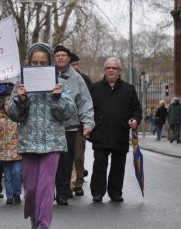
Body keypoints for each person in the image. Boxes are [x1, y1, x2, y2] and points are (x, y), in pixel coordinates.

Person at [8, 42, 75, 229]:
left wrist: (57, 97)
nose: (38, 66)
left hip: (52, 142)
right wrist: (21, 100)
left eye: (43, 63)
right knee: (31, 189)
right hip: (29, 142)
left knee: (46, 186)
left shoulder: (60, 83)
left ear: (50, 63)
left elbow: (68, 113)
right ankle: (34, 217)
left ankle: (43, 226)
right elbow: (12, 114)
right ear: (29, 63)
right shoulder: (20, 84)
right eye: (34, 63)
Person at [88, 57, 142, 203]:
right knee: (99, 165)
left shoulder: (129, 89)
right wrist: (87, 127)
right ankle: (97, 193)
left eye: (114, 68)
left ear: (120, 71)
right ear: (104, 70)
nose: (111, 70)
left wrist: (135, 119)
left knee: (118, 167)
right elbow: (87, 110)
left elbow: (136, 109)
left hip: (120, 133)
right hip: (100, 133)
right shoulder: (94, 88)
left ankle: (115, 192)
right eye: (108, 68)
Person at [53, 46, 94, 205]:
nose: (60, 58)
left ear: (69, 59)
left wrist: (88, 123)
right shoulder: (46, 75)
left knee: (65, 161)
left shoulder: (77, 78)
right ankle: (49, 192)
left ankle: (63, 192)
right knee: (50, 161)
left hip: (69, 127)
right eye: (57, 55)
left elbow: (85, 102)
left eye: (64, 55)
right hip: (49, 126)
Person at [0, 96, 22, 205]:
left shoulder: (19, 119)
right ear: (3, 106)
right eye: (6, 105)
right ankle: (10, 196)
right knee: (7, 176)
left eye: (11, 105)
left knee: (17, 173)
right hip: (4, 153)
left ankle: (17, 193)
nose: (8, 107)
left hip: (17, 152)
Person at [69, 52, 92, 197]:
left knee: (78, 155)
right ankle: (66, 182)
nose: (76, 67)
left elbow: (89, 101)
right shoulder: (59, 77)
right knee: (65, 156)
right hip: (64, 123)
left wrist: (88, 122)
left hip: (78, 124)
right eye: (73, 64)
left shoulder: (83, 79)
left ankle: (78, 182)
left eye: (77, 64)